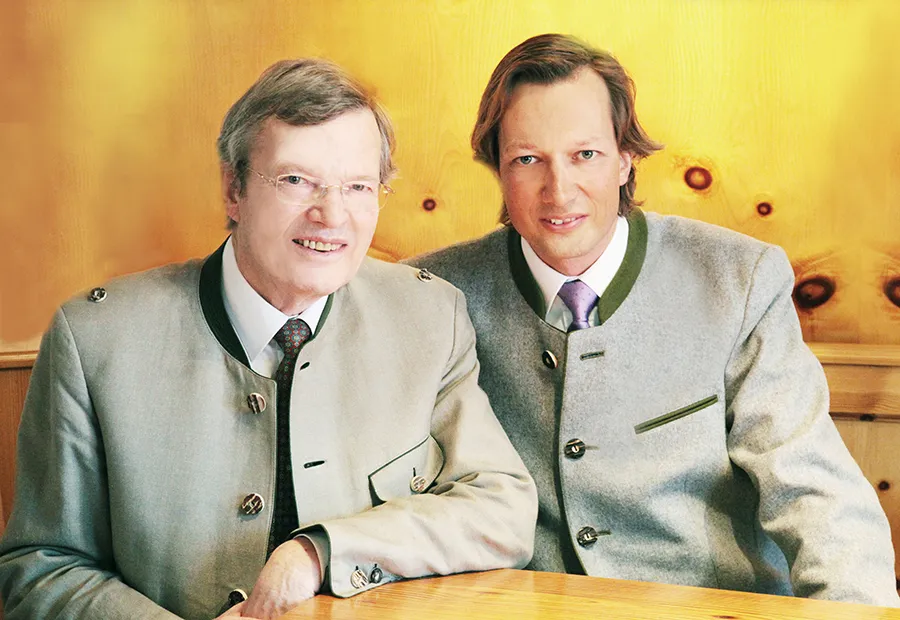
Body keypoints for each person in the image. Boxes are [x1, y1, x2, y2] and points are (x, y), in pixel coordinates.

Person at [0, 58, 537, 620]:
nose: (331, 215)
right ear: (233, 189)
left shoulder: (428, 316)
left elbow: (500, 510)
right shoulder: (95, 340)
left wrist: (320, 552)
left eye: (357, 186)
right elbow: (43, 570)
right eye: (296, 181)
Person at [411, 33, 900, 606]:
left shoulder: (739, 279)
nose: (559, 191)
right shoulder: (433, 293)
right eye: (527, 159)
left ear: (626, 158)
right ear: (497, 167)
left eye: (585, 155)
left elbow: (816, 493)